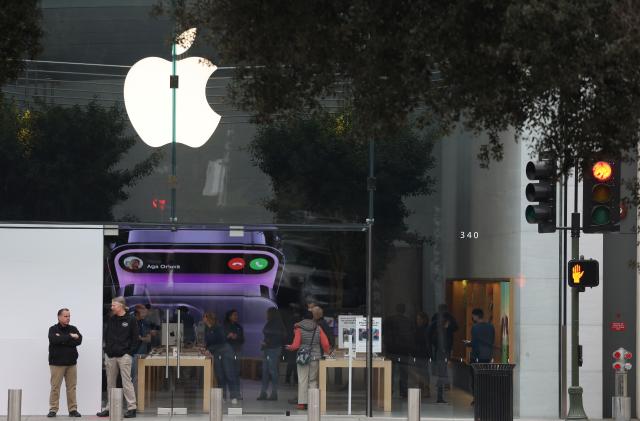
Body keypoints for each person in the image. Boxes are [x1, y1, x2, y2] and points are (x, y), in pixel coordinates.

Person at [97, 297, 139, 418]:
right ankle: (109, 408)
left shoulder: (131, 320)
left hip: (124, 356)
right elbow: (107, 336)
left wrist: (129, 353)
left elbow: (135, 339)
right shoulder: (111, 319)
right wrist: (107, 350)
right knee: (110, 383)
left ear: (121, 305)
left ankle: (132, 408)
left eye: (113, 305)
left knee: (127, 382)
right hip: (111, 355)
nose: (111, 307)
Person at [286, 310, 330, 410]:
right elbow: (326, 344)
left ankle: (302, 403)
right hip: (315, 357)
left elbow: (296, 344)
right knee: (313, 380)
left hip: (303, 357)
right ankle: (313, 403)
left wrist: (291, 347)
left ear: (302, 318)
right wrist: (327, 352)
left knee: (302, 380)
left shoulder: (298, 328)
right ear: (312, 318)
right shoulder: (318, 328)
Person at [48, 308, 83, 418]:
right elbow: (54, 340)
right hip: (57, 363)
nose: (68, 318)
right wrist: (70, 337)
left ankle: (73, 409)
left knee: (71, 387)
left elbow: (79, 340)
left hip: (71, 363)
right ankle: (53, 409)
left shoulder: (73, 328)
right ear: (59, 317)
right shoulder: (53, 329)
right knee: (55, 387)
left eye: (69, 316)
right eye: (65, 316)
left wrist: (63, 339)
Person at [203, 312, 237, 402]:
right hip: (216, 354)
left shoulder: (218, 327)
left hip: (226, 352)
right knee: (220, 376)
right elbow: (209, 342)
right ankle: (223, 397)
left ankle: (234, 396)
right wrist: (205, 349)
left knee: (229, 374)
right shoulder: (207, 328)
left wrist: (209, 349)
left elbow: (222, 341)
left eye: (204, 317)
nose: (203, 319)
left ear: (208, 318)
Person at [383, 303, 414, 398]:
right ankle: (403, 391)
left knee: (390, 371)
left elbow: (383, 332)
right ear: (404, 310)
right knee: (404, 372)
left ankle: (389, 389)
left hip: (391, 349)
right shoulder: (408, 321)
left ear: (396, 309)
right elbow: (412, 335)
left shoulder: (389, 320)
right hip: (404, 350)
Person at [465, 308, 495, 405]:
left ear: (476, 316)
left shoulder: (475, 327)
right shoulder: (491, 327)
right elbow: (492, 341)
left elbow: (475, 343)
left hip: (477, 357)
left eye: (473, 316)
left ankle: (476, 399)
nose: (472, 318)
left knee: (475, 379)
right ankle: (485, 399)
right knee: (485, 378)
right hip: (487, 357)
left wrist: (468, 344)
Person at [429, 304, 458, 403]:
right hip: (444, 349)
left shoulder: (435, 319)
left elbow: (430, 332)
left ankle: (440, 393)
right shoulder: (447, 318)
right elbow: (456, 327)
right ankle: (440, 395)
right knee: (442, 372)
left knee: (442, 371)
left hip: (439, 349)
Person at [258, 308, 286, 401]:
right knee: (266, 371)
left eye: (267, 313)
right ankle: (264, 393)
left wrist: (267, 343)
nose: (266, 315)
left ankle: (273, 393)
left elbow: (278, 337)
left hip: (273, 349)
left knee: (272, 371)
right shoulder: (272, 323)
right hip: (269, 349)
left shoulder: (276, 323)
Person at [224, 309, 244, 404]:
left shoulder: (239, 327)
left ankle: (237, 394)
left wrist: (237, 337)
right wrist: (228, 336)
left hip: (237, 352)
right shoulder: (224, 326)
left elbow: (243, 339)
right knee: (228, 374)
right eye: (234, 315)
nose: (236, 317)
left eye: (237, 315)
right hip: (227, 353)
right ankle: (229, 395)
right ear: (229, 316)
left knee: (236, 373)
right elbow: (220, 339)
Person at [130, 304, 151, 387]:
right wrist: (142, 338)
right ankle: (133, 397)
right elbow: (135, 337)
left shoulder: (144, 322)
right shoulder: (131, 321)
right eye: (143, 312)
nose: (145, 314)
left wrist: (142, 338)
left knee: (140, 376)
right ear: (137, 312)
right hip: (134, 353)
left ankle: (138, 396)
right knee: (134, 376)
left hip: (143, 352)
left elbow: (148, 338)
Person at [413, 311, 431, 397]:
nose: (418, 321)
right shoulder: (420, 329)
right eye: (417, 319)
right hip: (420, 353)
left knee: (423, 371)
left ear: (423, 320)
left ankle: (425, 389)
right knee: (421, 371)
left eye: (419, 319)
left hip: (422, 353)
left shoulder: (424, 329)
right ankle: (423, 388)